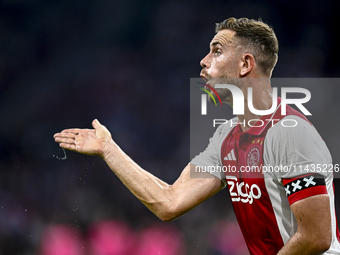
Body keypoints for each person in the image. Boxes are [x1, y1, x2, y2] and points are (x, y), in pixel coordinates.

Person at [54, 17, 340, 254]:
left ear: (245, 64)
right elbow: (169, 203)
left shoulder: (291, 132)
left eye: (216, 51)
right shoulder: (227, 136)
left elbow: (316, 236)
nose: (203, 61)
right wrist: (109, 149)